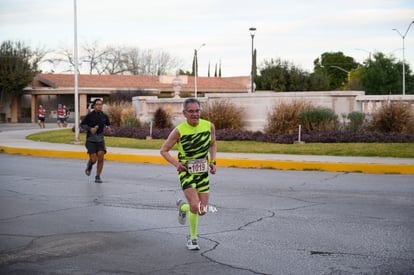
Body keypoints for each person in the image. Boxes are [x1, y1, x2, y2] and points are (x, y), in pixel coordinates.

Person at [160, 98, 217, 250]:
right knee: (195, 205)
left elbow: (213, 144)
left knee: (201, 210)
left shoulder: (208, 126)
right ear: (184, 113)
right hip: (186, 172)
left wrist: (213, 161)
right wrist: (176, 164)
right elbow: (163, 151)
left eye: (197, 111)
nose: (195, 114)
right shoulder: (179, 131)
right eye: (191, 111)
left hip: (203, 172)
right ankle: (192, 239)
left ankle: (183, 207)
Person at [80, 99, 112, 183]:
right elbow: (82, 125)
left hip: (100, 139)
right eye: (97, 104)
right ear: (94, 106)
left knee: (101, 156)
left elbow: (108, 124)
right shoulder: (89, 115)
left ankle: (98, 176)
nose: (99, 106)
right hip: (91, 140)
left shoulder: (104, 116)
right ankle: (90, 165)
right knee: (94, 159)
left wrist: (108, 128)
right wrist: (90, 129)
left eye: (101, 104)